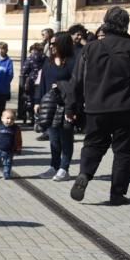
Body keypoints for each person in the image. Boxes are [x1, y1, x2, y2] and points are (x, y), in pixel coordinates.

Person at [67, 7, 130, 206]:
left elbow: (77, 80)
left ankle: (84, 174)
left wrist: (71, 108)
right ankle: (117, 194)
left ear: (106, 22)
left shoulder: (91, 48)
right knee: (123, 152)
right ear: (125, 24)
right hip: (126, 107)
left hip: (96, 107)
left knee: (93, 145)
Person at [34, 32, 75, 181]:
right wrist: (38, 101)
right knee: (53, 139)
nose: (51, 47)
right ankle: (54, 166)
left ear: (62, 44)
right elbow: (42, 83)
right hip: (50, 106)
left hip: (66, 106)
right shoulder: (48, 62)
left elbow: (75, 85)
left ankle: (64, 168)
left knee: (65, 138)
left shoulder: (72, 62)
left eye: (54, 44)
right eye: (50, 44)